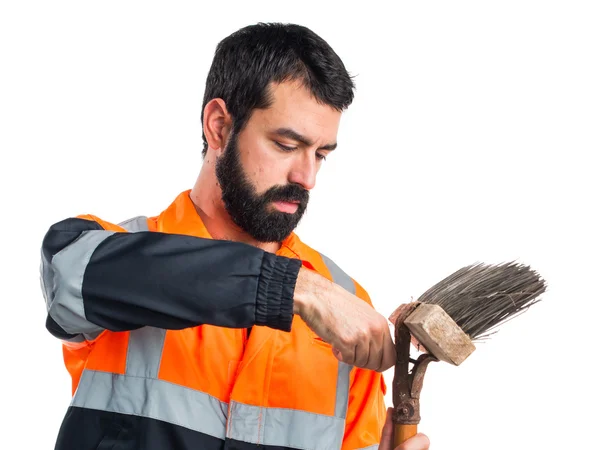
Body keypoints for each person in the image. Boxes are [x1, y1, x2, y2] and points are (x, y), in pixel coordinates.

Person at [40, 23, 430, 450]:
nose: (307, 177)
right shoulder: (114, 253)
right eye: (285, 145)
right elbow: (69, 283)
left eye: (320, 154)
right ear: (219, 127)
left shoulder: (344, 307)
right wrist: (293, 287)